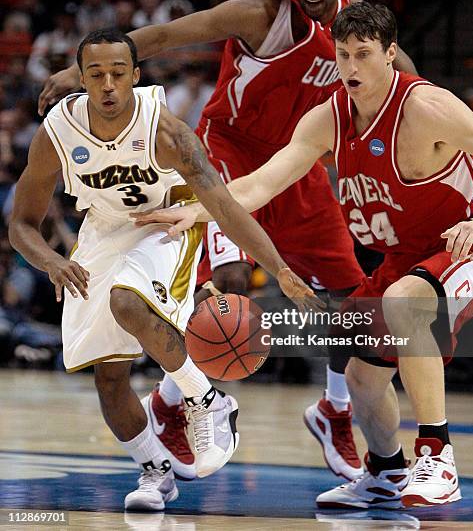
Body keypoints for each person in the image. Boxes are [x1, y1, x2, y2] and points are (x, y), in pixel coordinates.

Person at [38, 0, 417, 482]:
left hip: (298, 163)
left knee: (344, 291)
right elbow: (170, 33)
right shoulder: (264, 14)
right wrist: (83, 71)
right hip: (228, 150)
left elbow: (409, 80)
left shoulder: (359, 31)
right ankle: (177, 401)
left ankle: (334, 408)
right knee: (230, 280)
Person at [134, 2, 473, 509]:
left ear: (391, 54)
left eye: (364, 55)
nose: (351, 67)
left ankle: (437, 457)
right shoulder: (327, 120)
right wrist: (197, 212)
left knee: (403, 301)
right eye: (344, 55)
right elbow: (263, 182)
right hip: (402, 260)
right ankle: (387, 472)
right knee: (360, 375)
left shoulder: (426, 108)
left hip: (467, 247)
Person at [9, 28, 317, 510]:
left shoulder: (167, 131)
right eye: (96, 75)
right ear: (82, 80)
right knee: (108, 377)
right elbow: (22, 224)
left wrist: (277, 267)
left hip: (171, 219)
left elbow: (226, 205)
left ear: (135, 75)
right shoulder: (57, 135)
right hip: (104, 227)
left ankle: (207, 399)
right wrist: (51, 261)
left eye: (117, 73)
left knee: (126, 302)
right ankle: (155, 470)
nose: (108, 85)